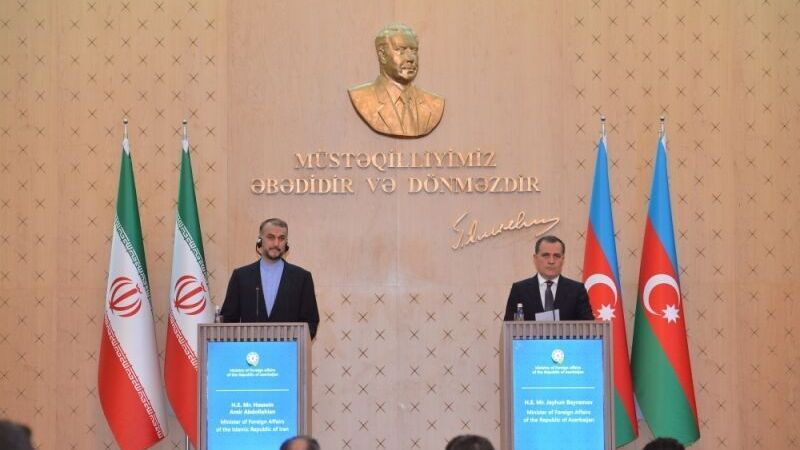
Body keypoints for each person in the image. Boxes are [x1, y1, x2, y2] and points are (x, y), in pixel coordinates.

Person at [220, 218, 320, 338]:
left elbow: (310, 323)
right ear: (260, 241)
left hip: (288, 349)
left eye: (281, 238)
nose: (276, 243)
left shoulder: (302, 278)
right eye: (271, 237)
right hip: (250, 348)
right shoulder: (241, 276)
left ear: (286, 243)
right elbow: (228, 321)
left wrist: (293, 344)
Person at [348, 23, 445, 137]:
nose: (410, 58)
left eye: (414, 51)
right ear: (382, 55)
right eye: (401, 50)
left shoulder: (434, 104)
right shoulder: (362, 99)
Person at [503, 235, 594, 321]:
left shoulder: (577, 290)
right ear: (535, 258)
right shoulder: (519, 290)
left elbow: (588, 327)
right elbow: (509, 328)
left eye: (556, 256)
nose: (551, 261)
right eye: (546, 255)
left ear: (562, 259)